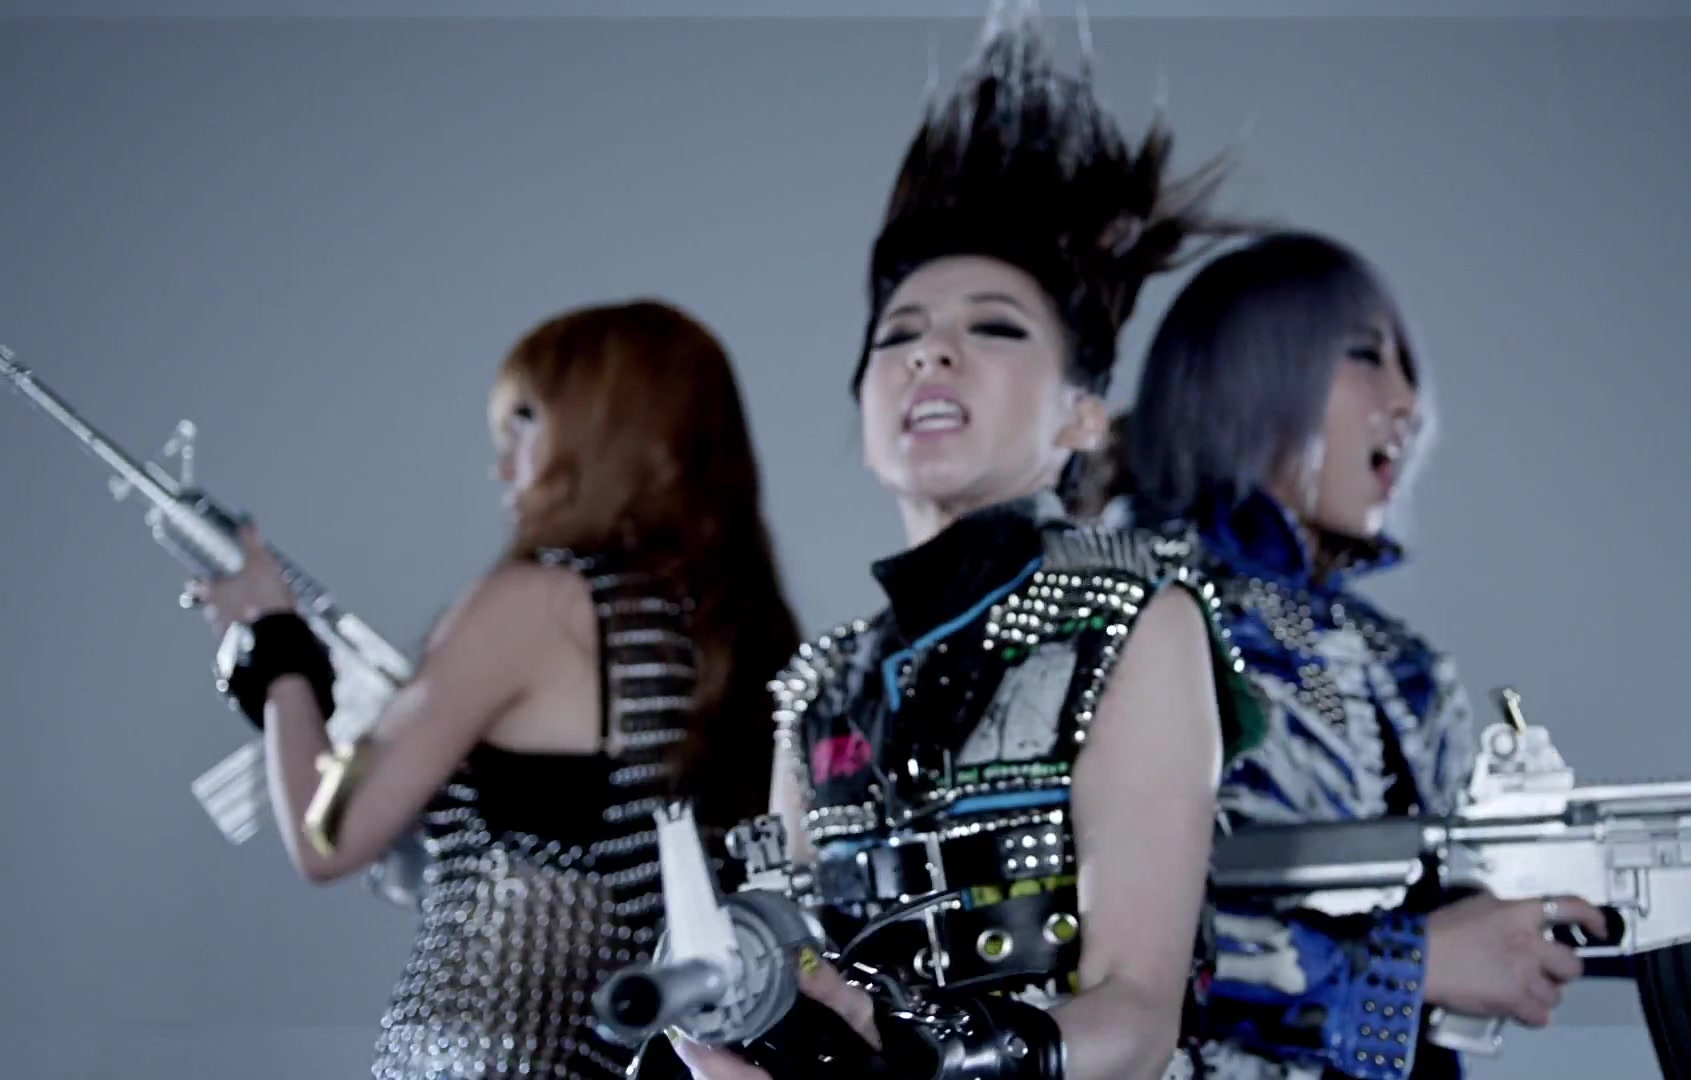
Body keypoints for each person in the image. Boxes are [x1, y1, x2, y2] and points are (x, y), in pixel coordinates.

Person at [1100, 229, 1691, 1079]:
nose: (1409, 403)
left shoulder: (1399, 664)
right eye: (1365, 356)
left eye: (1409, 369)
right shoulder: (1135, 611)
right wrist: (1408, 965)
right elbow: (1092, 928)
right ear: (1245, 372)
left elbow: (1506, 909)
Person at [668, 5, 1261, 1079]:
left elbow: (1136, 1019)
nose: (930, 352)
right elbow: (797, 976)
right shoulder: (820, 686)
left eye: (992, 327)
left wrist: (943, 1062)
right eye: (898, 335)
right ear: (864, 417)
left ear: (1083, 416)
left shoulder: (1135, 618)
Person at [186, 299, 802, 1079]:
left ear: (603, 434)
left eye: (525, 425)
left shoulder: (535, 605)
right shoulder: (729, 631)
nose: (502, 466)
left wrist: (274, 645)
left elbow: (327, 832)